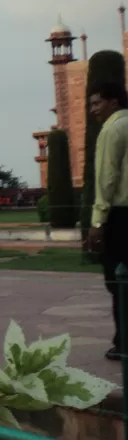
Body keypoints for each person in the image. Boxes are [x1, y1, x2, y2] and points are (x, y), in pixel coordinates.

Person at [88, 78, 128, 361]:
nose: (92, 109)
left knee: (119, 280)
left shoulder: (112, 129)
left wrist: (98, 221)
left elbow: (107, 178)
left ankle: (123, 341)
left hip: (120, 216)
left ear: (113, 101)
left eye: (97, 102)